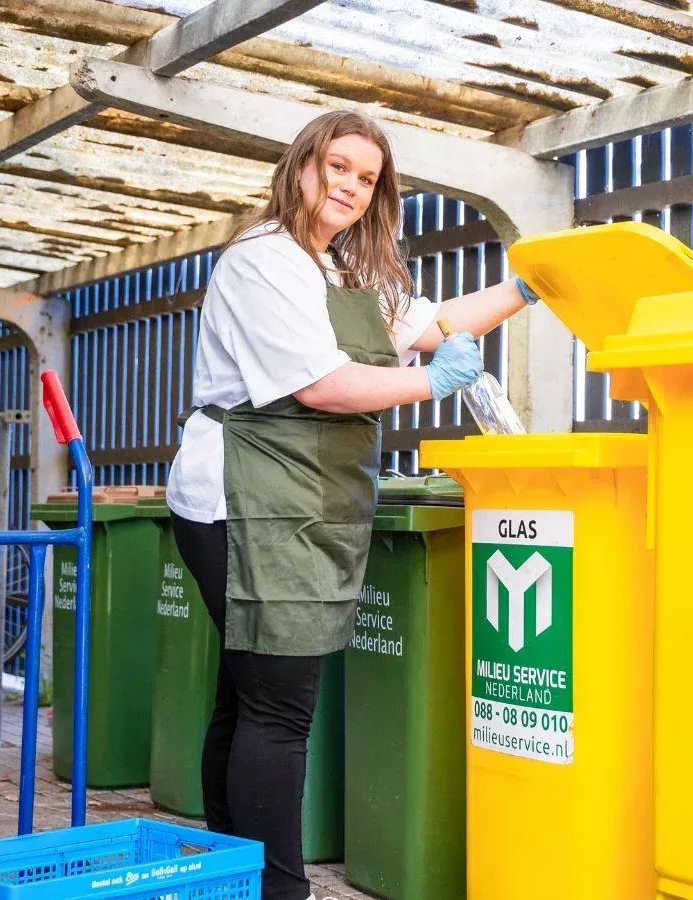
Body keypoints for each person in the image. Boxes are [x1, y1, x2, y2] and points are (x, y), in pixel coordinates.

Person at [166, 110, 538, 900]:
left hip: (297, 498)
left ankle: (233, 878)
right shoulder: (261, 261)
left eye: (367, 178)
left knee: (247, 698)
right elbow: (320, 385)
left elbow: (437, 323)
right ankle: (278, 889)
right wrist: (433, 383)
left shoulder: (339, 271)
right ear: (301, 166)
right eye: (337, 166)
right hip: (244, 497)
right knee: (278, 710)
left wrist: (531, 286)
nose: (350, 186)